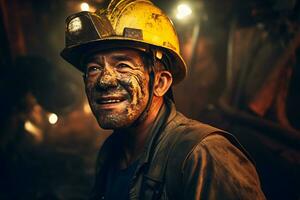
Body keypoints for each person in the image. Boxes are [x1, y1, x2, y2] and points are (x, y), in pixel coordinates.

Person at [61, 0, 266, 199]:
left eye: (123, 65)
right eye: (94, 69)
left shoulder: (204, 155)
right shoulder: (110, 153)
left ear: (160, 83)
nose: (104, 81)